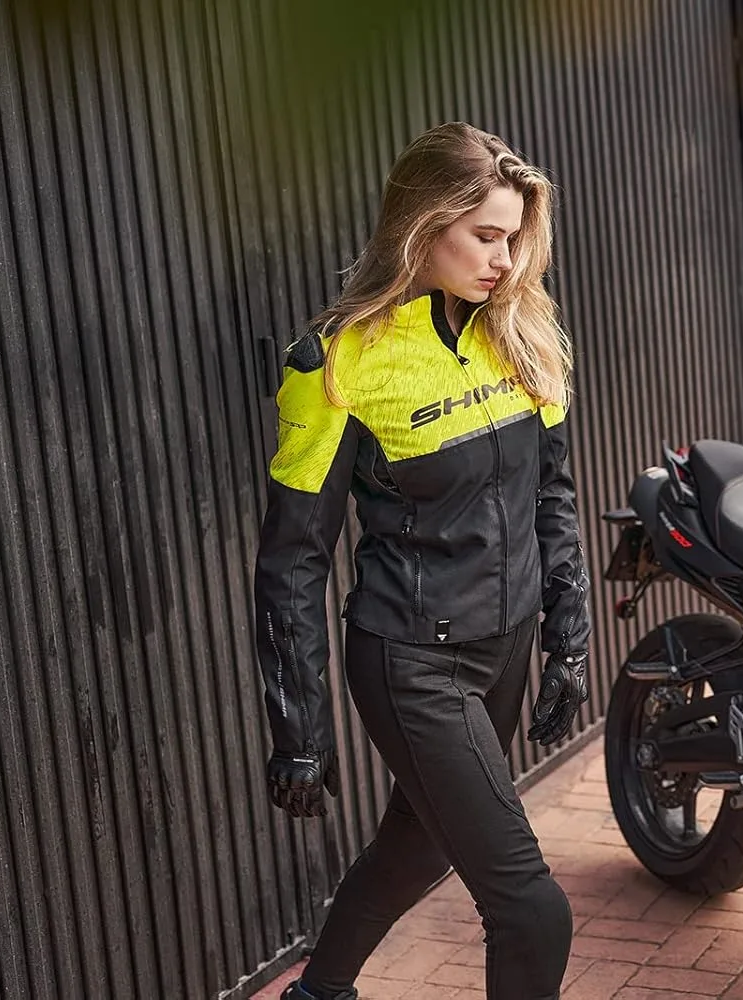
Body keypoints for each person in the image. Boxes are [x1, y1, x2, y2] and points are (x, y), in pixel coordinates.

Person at [251, 121, 592, 1000]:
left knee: (416, 846)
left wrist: (568, 636)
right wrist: (299, 730)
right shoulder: (339, 361)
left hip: (505, 647)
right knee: (532, 910)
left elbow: (552, 495)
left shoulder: (523, 330)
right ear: (422, 225)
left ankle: (317, 993)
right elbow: (293, 558)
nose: (505, 260)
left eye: (514, 238)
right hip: (414, 662)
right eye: (486, 236)